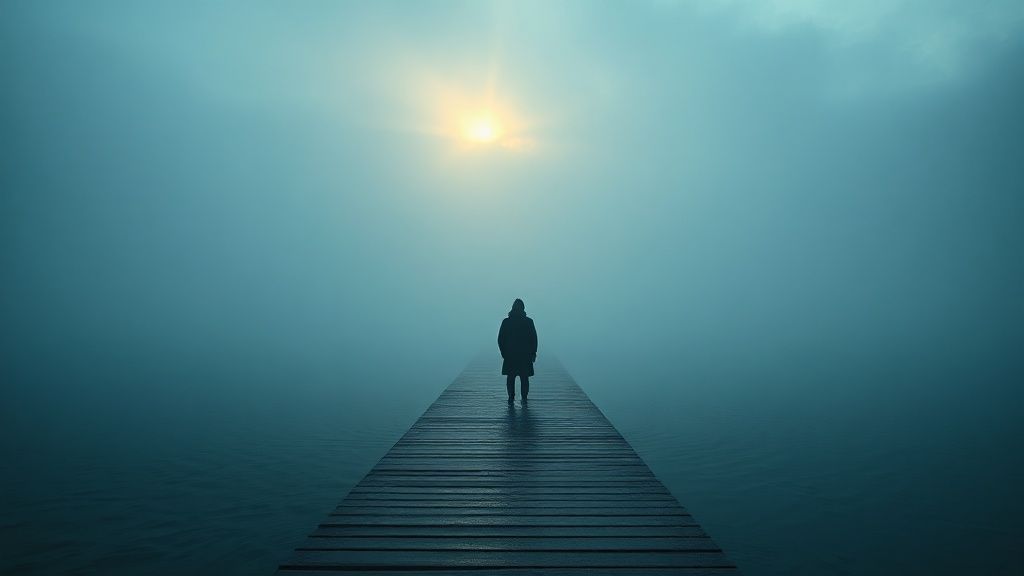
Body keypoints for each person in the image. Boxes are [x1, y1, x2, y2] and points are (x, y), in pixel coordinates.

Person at [498, 298, 537, 403]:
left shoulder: (506, 322)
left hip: (510, 355)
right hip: (525, 355)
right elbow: (534, 338)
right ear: (523, 308)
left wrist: (503, 352)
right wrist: (533, 353)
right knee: (524, 378)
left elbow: (500, 339)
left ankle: (511, 397)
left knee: (511, 377)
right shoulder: (529, 321)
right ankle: (524, 397)